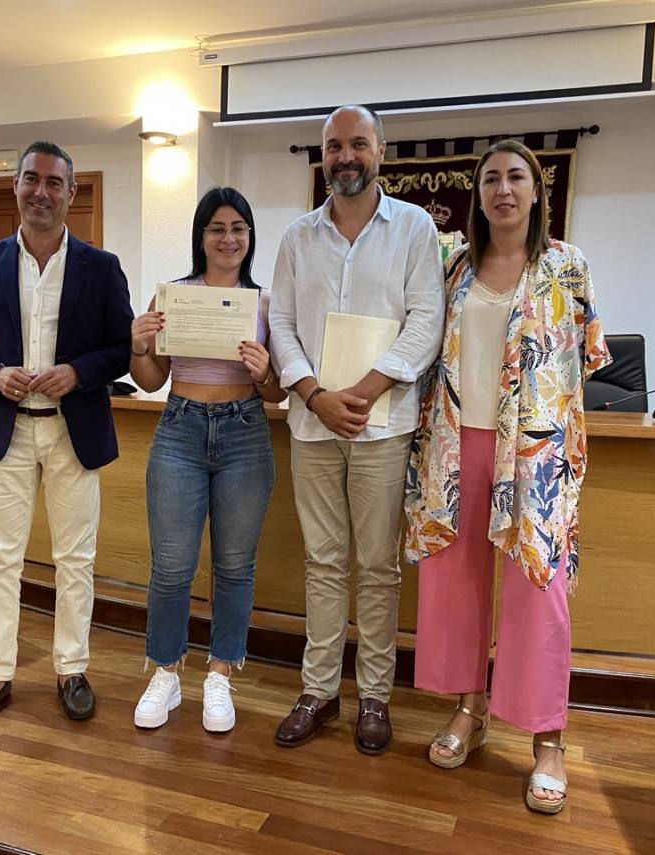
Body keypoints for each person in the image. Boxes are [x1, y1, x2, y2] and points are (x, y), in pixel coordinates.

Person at [404, 139, 612, 814]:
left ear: (536, 189)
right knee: (455, 580)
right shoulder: (453, 266)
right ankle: (470, 709)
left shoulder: (567, 265)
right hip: (455, 441)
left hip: (534, 452)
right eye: (490, 178)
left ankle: (548, 739)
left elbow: (585, 363)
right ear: (478, 194)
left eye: (516, 176)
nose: (503, 188)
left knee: (536, 588)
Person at [269, 105, 444, 755]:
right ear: (323, 156)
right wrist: (315, 396)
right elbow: (281, 325)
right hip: (312, 425)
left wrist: (363, 392)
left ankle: (374, 695)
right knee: (322, 561)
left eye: (358, 144)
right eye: (334, 146)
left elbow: (426, 321)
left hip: (382, 425)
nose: (346, 156)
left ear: (381, 152)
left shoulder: (414, 227)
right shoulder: (297, 238)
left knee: (376, 565)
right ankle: (318, 690)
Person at [0, 140, 134, 728]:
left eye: (54, 183)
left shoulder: (101, 267)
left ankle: (71, 669)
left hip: (73, 432)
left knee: (75, 559)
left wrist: (78, 372)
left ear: (72, 193)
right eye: (32, 179)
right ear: (16, 186)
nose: (41, 192)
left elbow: (123, 349)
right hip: (9, 431)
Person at [128, 187, 285, 732]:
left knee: (235, 566)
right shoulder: (173, 297)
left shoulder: (265, 303)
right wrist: (139, 345)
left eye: (238, 228)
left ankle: (220, 673)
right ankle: (166, 671)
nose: (228, 238)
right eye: (217, 228)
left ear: (250, 237)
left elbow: (276, 395)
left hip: (245, 432)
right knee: (171, 566)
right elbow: (152, 380)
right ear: (201, 237)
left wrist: (265, 371)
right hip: (180, 428)